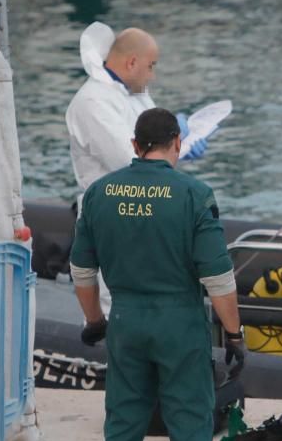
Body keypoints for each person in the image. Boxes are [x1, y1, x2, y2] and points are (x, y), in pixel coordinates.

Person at [69, 108, 244, 441]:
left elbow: (82, 270)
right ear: (177, 145)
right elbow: (219, 279)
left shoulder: (99, 194)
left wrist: (94, 321)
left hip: (125, 319)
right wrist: (234, 333)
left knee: (122, 429)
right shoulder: (193, 194)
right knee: (189, 429)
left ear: (133, 145)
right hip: (179, 324)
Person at [66, 22, 208, 315]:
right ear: (132, 62)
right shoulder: (93, 101)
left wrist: (181, 145)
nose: (152, 75)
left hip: (144, 208)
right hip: (110, 212)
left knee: (148, 297)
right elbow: (128, 158)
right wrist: (173, 147)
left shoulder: (133, 93)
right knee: (114, 301)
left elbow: (152, 146)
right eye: (151, 66)